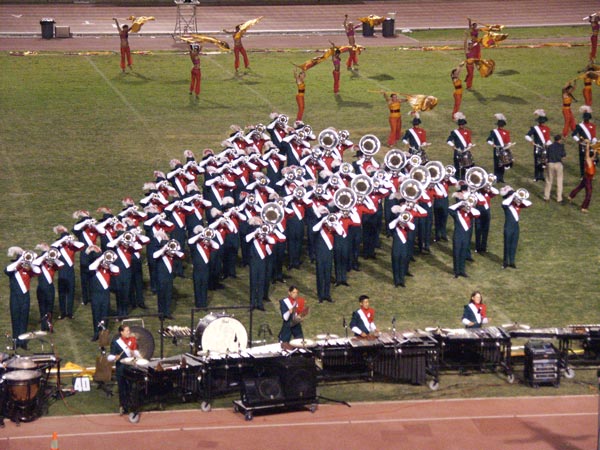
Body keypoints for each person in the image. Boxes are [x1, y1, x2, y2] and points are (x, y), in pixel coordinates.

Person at [5, 247, 40, 349]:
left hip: (25, 297)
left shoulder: (29, 270)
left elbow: (38, 271)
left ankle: (23, 342)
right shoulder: (13, 270)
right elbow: (6, 270)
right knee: (15, 319)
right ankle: (15, 342)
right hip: (14, 298)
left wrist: (30, 264)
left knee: (24, 319)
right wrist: (19, 262)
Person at [107, 325, 141, 415]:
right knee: (122, 389)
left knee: (131, 388)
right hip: (121, 369)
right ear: (121, 332)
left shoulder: (132, 340)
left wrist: (134, 353)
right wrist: (115, 357)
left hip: (130, 368)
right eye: (126, 331)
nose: (128, 332)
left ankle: (132, 406)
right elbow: (109, 357)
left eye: (129, 330)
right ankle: (123, 406)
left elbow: (136, 353)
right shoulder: (116, 343)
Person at [448, 191, 480, 278]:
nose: (467, 207)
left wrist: (470, 206)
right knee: (456, 253)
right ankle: (456, 271)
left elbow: (478, 213)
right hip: (457, 237)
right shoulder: (456, 214)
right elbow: (449, 209)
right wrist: (460, 203)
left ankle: (462, 270)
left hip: (465, 237)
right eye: (465, 206)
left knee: (463, 253)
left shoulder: (470, 214)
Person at [500, 185, 532, 268]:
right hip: (508, 227)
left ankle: (512, 261)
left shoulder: (518, 204)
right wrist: (513, 196)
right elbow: (504, 203)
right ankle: (505, 262)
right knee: (507, 244)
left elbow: (529, 203)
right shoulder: (506, 205)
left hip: (516, 227)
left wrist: (520, 198)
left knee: (514, 244)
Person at [568, 141, 596, 213]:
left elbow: (593, 157)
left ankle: (571, 196)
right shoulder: (588, 159)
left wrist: (595, 151)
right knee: (589, 193)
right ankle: (584, 207)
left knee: (580, 187)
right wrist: (588, 144)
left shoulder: (590, 160)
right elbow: (587, 152)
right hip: (588, 179)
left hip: (586, 177)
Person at [525, 109, 552, 182]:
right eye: (541, 122)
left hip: (544, 147)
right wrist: (531, 141)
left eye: (543, 122)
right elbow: (527, 136)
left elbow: (548, 139)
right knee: (537, 161)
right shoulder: (534, 129)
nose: (542, 123)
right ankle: (536, 176)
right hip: (537, 147)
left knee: (543, 161)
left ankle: (542, 176)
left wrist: (550, 145)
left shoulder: (547, 129)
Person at [487, 113, 513, 183]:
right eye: (500, 125)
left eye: (502, 126)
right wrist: (493, 144)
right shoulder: (494, 132)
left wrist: (508, 145)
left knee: (503, 163)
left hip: (504, 149)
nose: (501, 127)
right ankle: (496, 177)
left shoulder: (506, 132)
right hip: (497, 149)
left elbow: (508, 141)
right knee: (497, 164)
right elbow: (488, 140)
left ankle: (501, 177)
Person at [572, 105, 597, 177]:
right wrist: (578, 141)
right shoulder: (579, 126)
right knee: (582, 160)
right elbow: (573, 134)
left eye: (588, 118)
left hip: (591, 145)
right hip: (583, 145)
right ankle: (582, 175)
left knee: (592, 159)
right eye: (586, 118)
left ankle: (591, 173)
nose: (587, 119)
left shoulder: (592, 125)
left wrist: (594, 141)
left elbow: (594, 136)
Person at [544, 135, 567, 203]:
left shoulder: (550, 146)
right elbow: (564, 156)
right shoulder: (561, 146)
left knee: (549, 180)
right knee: (559, 181)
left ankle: (546, 197)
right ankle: (559, 198)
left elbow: (547, 156)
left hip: (550, 163)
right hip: (558, 164)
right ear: (559, 140)